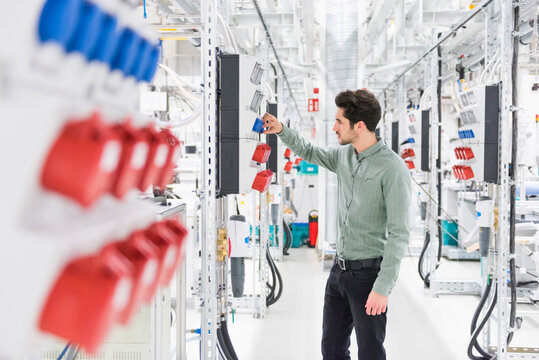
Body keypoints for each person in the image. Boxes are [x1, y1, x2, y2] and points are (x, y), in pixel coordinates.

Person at [262, 89, 411, 360]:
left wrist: (383, 286)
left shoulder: (393, 168)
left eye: (339, 122)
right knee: (331, 349)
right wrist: (281, 129)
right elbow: (308, 151)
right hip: (338, 273)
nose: (334, 128)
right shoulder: (345, 156)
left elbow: (400, 233)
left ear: (360, 126)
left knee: (370, 353)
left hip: (368, 276)